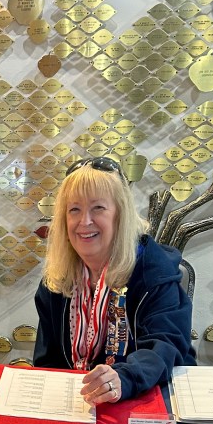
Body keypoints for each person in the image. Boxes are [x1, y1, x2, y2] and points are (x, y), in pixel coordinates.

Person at [32, 157, 196, 404]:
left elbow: (165, 347)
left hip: (143, 398)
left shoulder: (154, 271)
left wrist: (123, 378)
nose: (84, 221)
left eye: (98, 208)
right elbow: (47, 361)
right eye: (74, 209)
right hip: (79, 403)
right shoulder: (57, 280)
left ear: (120, 215)